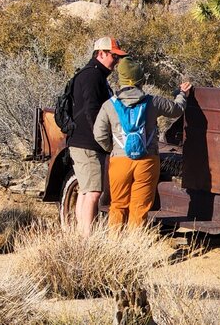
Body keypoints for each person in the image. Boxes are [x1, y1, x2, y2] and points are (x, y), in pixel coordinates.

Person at [93, 57, 191, 227]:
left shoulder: (109, 105)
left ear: (121, 80)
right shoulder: (153, 102)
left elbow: (99, 134)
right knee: (140, 207)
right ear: (140, 80)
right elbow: (177, 110)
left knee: (117, 205)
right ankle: (135, 246)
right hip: (147, 160)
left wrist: (113, 149)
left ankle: (114, 245)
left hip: (119, 161)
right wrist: (182, 94)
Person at [69, 36, 127, 237]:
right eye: (113, 56)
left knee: (86, 191)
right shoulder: (93, 76)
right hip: (88, 143)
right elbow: (92, 109)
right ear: (100, 54)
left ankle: (80, 236)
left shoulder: (90, 74)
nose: (116, 61)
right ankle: (87, 239)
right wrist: (102, 138)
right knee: (93, 192)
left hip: (81, 141)